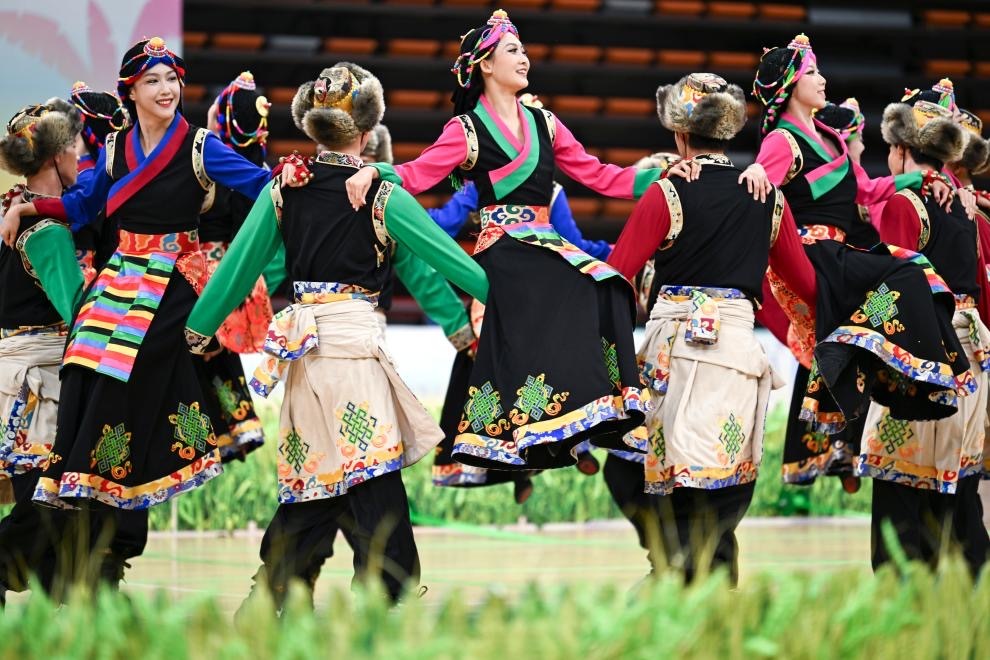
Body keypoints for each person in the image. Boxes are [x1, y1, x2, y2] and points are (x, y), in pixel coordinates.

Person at [345, 9, 770, 473]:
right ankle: (547, 418)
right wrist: (375, 170)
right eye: (513, 50)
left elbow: (598, 175)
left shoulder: (544, 122)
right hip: (504, 242)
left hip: (546, 241)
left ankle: (600, 411)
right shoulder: (465, 129)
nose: (524, 58)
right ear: (486, 64)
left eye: (524, 49)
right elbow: (417, 173)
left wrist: (663, 174)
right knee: (559, 284)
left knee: (608, 283)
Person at [0, 37, 306, 584]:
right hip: (120, 276)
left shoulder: (201, 147)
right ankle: (74, 500)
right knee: (81, 366)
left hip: (173, 280)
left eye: (171, 79)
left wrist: (296, 179)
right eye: (152, 81)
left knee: (117, 384)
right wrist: (29, 206)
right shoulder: (115, 147)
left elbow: (262, 187)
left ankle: (76, 514)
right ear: (132, 92)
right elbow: (83, 206)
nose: (166, 90)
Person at [184, 62, 489, 608]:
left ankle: (270, 596)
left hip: (305, 358)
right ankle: (388, 598)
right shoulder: (382, 197)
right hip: (353, 355)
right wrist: (512, 296)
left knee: (315, 481)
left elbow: (237, 270)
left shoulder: (284, 190)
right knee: (374, 480)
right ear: (368, 132)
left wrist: (195, 330)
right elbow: (450, 263)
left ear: (313, 126)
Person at [608, 73, 815, 584]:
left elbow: (616, 275)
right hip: (737, 356)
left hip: (673, 354)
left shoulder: (666, 192)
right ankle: (711, 588)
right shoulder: (768, 198)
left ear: (680, 135)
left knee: (633, 467)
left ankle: (673, 572)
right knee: (720, 478)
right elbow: (808, 283)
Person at [751, 34, 969, 486]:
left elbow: (868, 191)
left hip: (836, 254)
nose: (822, 79)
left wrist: (920, 178)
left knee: (909, 272)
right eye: (812, 72)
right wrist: (753, 170)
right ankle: (913, 377)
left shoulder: (831, 137)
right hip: (806, 255)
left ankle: (880, 380)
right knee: (906, 269)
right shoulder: (780, 141)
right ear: (790, 85)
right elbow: (758, 190)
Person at [861, 87, 990, 576]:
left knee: (899, 488)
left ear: (901, 148)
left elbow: (894, 285)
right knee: (952, 487)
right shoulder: (964, 208)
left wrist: (857, 335)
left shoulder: (905, 202)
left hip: (921, 350)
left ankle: (900, 602)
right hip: (968, 355)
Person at [0, 101, 86, 602]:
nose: (80, 155)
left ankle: (67, 612)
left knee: (53, 510)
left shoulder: (14, 209)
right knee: (48, 503)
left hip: (17, 375)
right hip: (41, 380)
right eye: (74, 146)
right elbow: (78, 310)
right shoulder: (49, 233)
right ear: (56, 155)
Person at [198, 71, 273, 460]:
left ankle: (214, 433)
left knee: (204, 353)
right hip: (241, 270)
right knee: (217, 356)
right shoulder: (258, 166)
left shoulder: (211, 163)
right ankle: (235, 426)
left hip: (205, 273)